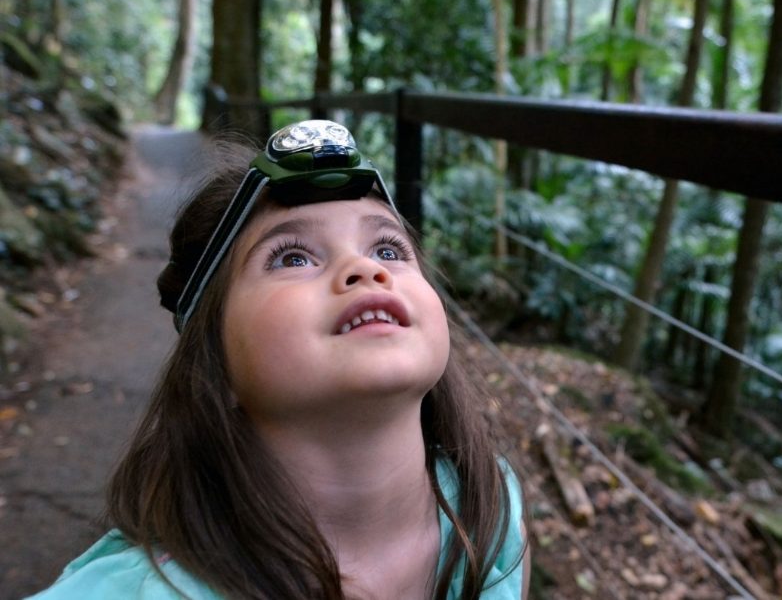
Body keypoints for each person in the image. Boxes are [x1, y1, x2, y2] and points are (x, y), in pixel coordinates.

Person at [29, 121, 529, 600]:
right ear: (214, 362)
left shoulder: (490, 512)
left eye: (388, 247)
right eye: (292, 257)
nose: (363, 268)